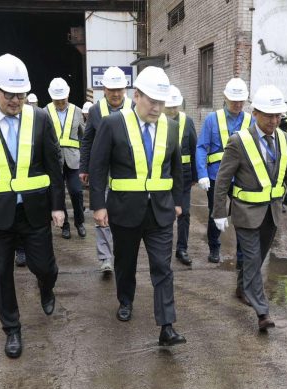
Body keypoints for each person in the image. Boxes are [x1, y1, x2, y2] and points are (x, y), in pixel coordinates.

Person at [0, 53, 65, 358]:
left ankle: (46, 286)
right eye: (9, 95)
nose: (16, 101)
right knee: (1, 273)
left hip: (34, 210)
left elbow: (53, 166)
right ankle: (12, 329)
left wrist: (58, 206)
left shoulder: (40, 118)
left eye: (21, 94)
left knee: (44, 266)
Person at [89, 66, 186, 346]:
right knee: (125, 262)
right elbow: (98, 167)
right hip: (124, 210)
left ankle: (167, 326)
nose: (157, 108)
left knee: (162, 267)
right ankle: (125, 300)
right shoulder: (113, 124)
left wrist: (178, 201)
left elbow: (176, 168)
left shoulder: (171, 127)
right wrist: (98, 205)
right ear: (137, 96)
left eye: (161, 102)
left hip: (160, 212)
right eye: (152, 101)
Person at [212, 85, 287, 331]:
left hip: (272, 213)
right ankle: (262, 312)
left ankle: (241, 287)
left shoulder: (286, 140)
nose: (274, 121)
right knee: (253, 257)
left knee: (257, 257)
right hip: (245, 212)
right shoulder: (239, 142)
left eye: (278, 116)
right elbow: (223, 179)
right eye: (269, 116)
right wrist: (219, 211)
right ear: (255, 113)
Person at [80, 66, 132, 273]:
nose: (116, 94)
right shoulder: (95, 111)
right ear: (104, 89)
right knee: (101, 211)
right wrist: (84, 167)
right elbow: (87, 140)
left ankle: (121, 253)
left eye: (119, 89)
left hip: (126, 171)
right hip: (101, 170)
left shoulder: (134, 107)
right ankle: (105, 258)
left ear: (125, 89)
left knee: (123, 215)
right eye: (112, 90)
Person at [196, 78, 253, 265]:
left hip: (242, 178)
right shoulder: (212, 119)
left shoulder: (250, 120)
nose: (238, 104)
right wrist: (202, 173)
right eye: (234, 100)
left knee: (242, 215)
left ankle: (242, 255)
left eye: (241, 101)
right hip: (216, 176)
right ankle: (214, 248)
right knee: (216, 212)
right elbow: (201, 147)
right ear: (225, 98)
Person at [45, 77, 86, 239]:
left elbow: (84, 137)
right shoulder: (45, 112)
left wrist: (85, 160)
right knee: (58, 194)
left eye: (63, 100)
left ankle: (80, 222)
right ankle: (65, 226)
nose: (61, 103)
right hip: (54, 162)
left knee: (76, 192)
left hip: (74, 160)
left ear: (68, 95)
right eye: (57, 100)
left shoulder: (77, 111)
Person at [164, 85, 197, 265]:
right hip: (163, 175)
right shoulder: (157, 121)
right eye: (169, 107)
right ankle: (164, 248)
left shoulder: (187, 121)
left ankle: (182, 249)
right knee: (165, 213)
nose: (172, 110)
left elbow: (194, 148)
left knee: (184, 213)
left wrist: (195, 176)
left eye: (175, 107)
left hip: (183, 176)